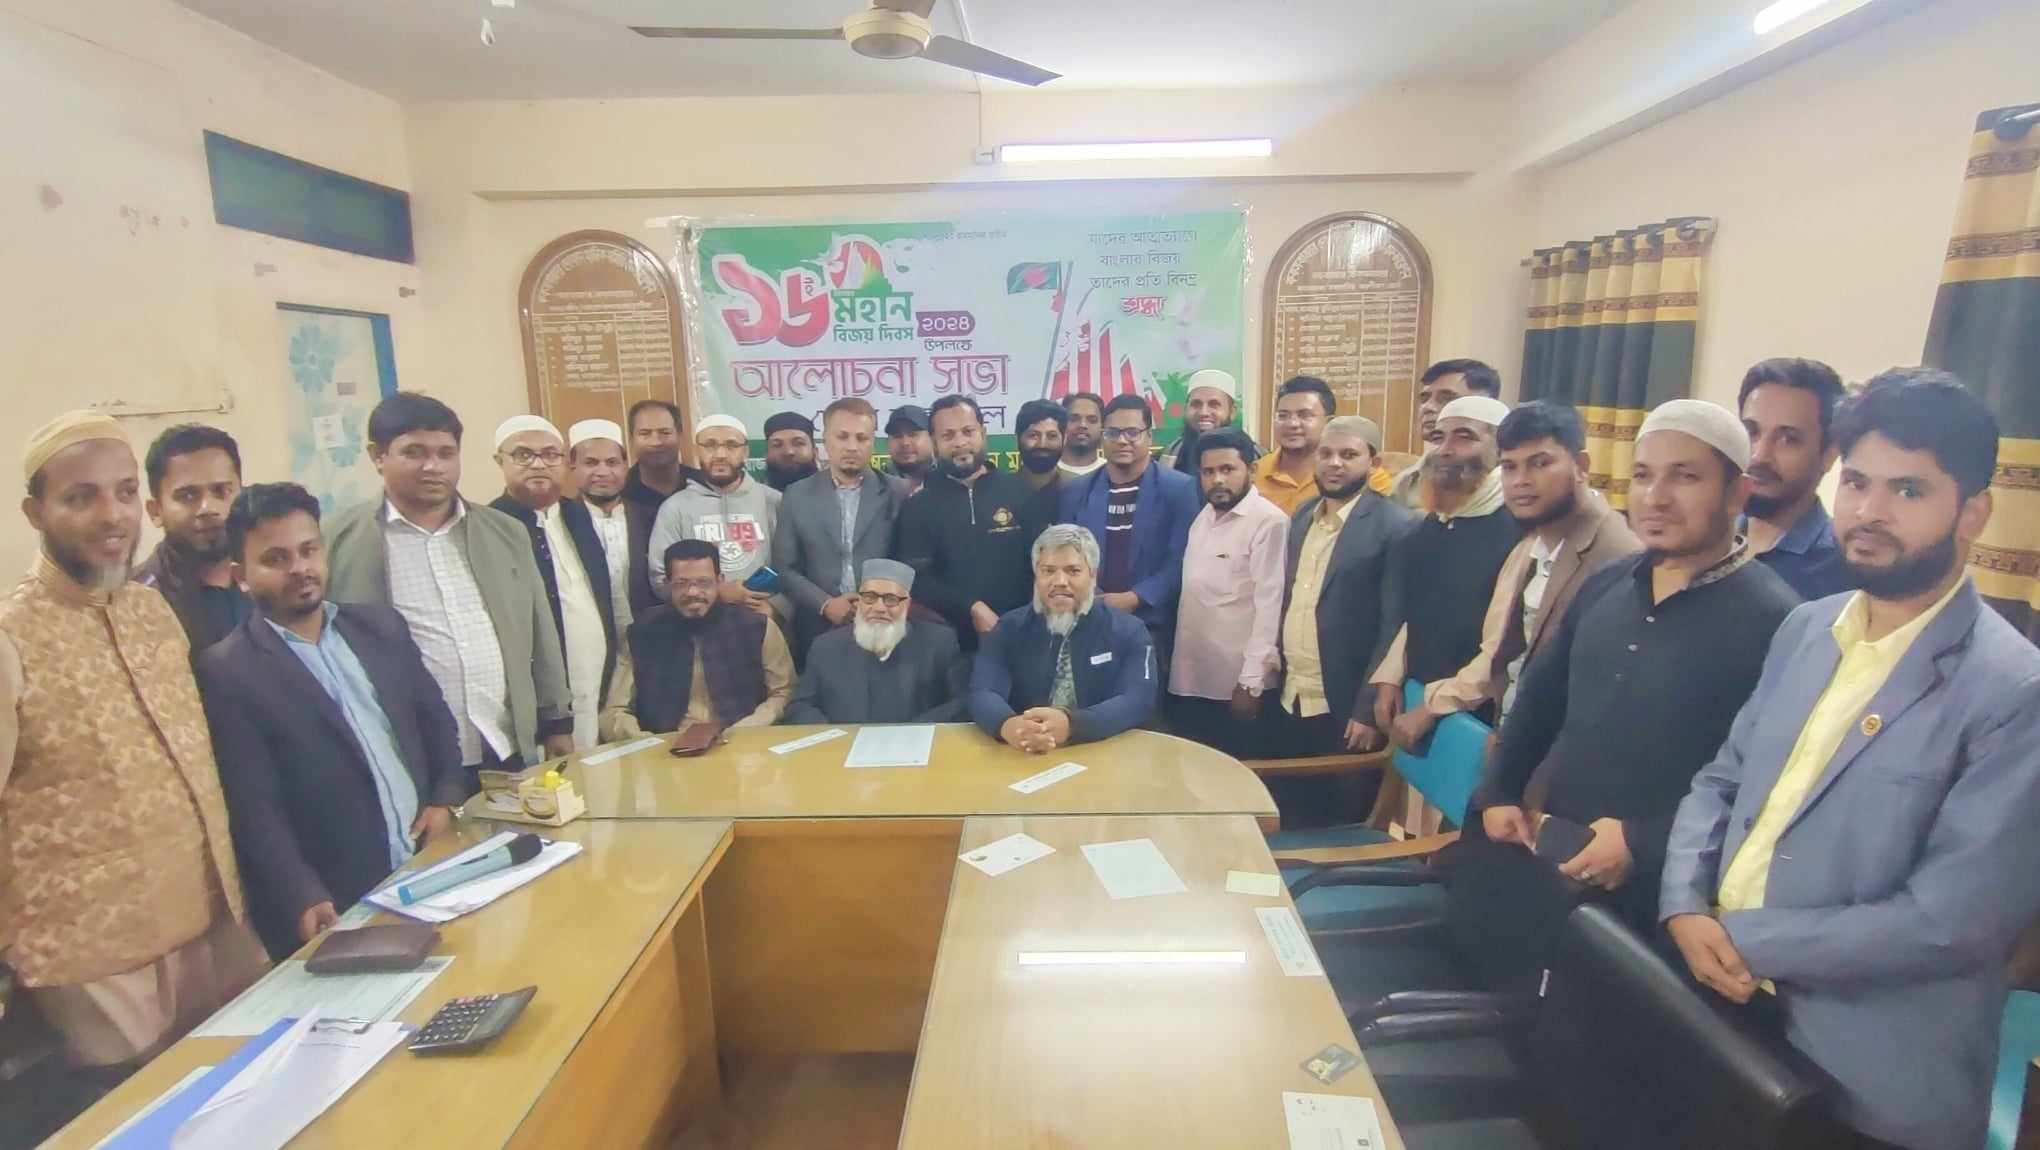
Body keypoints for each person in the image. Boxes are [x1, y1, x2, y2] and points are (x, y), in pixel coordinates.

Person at [1662, 371, 2040, 1150]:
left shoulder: (2013, 689)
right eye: (1858, 482)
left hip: (1868, 1079)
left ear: (1972, 513)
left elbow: (1951, 923)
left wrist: (1743, 938)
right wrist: (1682, 903)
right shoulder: (1807, 628)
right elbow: (1722, 780)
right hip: (1730, 1018)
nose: (1869, 512)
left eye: (1909, 490)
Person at [2, 411, 265, 1073]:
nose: (112, 515)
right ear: (36, 513)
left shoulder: (152, 611)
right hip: (98, 963)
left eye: (124, 493)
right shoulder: (11, 637)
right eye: (80, 497)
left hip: (212, 925)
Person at [1472, 399, 1796, 934]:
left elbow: (1770, 784)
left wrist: (1642, 841)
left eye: (1685, 477)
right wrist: (1501, 790)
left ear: (1738, 492)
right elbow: (1542, 695)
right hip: (1558, 854)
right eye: (1643, 476)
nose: (1656, 497)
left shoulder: (1778, 619)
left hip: (1669, 894)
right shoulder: (1610, 581)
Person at [196, 483, 466, 959]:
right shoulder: (229, 670)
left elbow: (435, 719)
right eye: (276, 559)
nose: (299, 568)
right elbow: (254, 806)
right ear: (241, 576)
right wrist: (302, 893)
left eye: (308, 550)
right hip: (341, 897)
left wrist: (444, 797)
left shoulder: (380, 627)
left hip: (427, 865)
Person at [325, 393, 574, 783]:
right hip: (409, 758)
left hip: (502, 745)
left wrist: (556, 720)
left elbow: (541, 630)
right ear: (378, 456)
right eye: (414, 453)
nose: (433, 466)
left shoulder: (504, 533)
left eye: (446, 453)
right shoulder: (340, 541)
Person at [1396, 402, 1640, 731]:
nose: (1521, 481)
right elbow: (1506, 654)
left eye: (1540, 463)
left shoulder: (1616, 557)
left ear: (1581, 466)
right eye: (1510, 467)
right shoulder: (1533, 542)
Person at [1268, 417, 1413, 787]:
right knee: (1290, 805)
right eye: (1326, 453)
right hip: (1292, 696)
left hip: (1345, 704)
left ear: (1373, 463)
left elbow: (1394, 624)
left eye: (1348, 455)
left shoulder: (1395, 525)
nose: (1334, 463)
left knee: (1343, 809)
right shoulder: (1304, 515)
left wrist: (1366, 709)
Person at [1372, 395, 1523, 742]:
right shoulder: (1433, 525)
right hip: (1420, 700)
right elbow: (1417, 613)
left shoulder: (1516, 529)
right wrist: (1390, 677)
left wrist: (1434, 707)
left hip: (1478, 713)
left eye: (1464, 437)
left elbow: (1502, 646)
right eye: (1439, 437)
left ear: (1501, 448)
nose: (1445, 449)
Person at [489, 415, 616, 751]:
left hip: (596, 684)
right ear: (500, 460)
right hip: (539, 701)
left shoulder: (577, 514)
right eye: (523, 455)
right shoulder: (491, 526)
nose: (538, 464)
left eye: (550, 454)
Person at [970, 524, 1156, 752]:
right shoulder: (1009, 628)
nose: (1059, 581)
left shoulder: (1130, 631)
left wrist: (1071, 725)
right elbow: (983, 691)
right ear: (1036, 576)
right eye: (1048, 571)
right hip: (1024, 751)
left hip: (1102, 749)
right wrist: (1009, 726)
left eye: (1073, 571)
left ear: (1093, 576)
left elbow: (1137, 700)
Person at [1167, 429, 1286, 757]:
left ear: (1251, 470)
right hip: (1191, 678)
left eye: (1227, 469)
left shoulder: (1269, 522)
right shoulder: (1203, 518)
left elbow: (1269, 605)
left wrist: (1251, 683)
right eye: (1208, 472)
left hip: (1237, 686)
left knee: (1241, 774)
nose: (1217, 479)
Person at [896, 395, 1045, 650]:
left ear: (983, 433)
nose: (960, 442)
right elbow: (916, 579)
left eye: (968, 431)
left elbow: (1042, 564)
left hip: (1021, 638)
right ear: (934, 442)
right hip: (947, 645)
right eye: (948, 435)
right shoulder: (917, 506)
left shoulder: (1020, 492)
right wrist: (971, 608)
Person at [601, 540, 793, 737]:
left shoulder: (757, 627)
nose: (692, 592)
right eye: (681, 583)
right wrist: (641, 739)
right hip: (665, 746)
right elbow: (614, 711)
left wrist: (743, 731)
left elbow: (783, 693)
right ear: (667, 584)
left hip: (743, 744)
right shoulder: (643, 632)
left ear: (720, 581)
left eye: (703, 582)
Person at [1059, 394, 1198, 663]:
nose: (1122, 440)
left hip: (1154, 626)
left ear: (1149, 436)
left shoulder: (1180, 489)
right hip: (1089, 622)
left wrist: (1135, 598)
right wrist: (1090, 596)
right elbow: (1066, 556)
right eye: (1113, 433)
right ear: (1102, 436)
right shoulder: (1075, 492)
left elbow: (1181, 560)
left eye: (1133, 432)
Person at [772, 398, 904, 655]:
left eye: (861, 438)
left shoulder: (897, 492)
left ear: (873, 442)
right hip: (818, 626)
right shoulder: (797, 495)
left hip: (884, 624)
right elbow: (785, 568)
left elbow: (906, 560)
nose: (852, 447)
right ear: (824, 440)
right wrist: (825, 604)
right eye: (842, 437)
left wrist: (874, 603)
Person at [783, 559, 968, 725]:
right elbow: (799, 707)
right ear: (859, 601)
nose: (879, 608)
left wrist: (915, 731)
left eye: (891, 599)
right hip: (842, 748)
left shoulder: (938, 642)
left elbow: (961, 702)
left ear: (907, 604)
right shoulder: (826, 647)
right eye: (870, 597)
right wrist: (836, 736)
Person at [1738, 357, 1852, 600]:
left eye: (1788, 439)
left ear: (1829, 455)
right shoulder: (1702, 540)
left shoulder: (1844, 573)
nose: (1759, 455)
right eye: (1751, 431)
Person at [646, 414, 781, 613]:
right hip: (700, 621)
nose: (720, 454)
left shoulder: (773, 501)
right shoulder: (675, 507)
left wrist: (776, 608)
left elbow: (794, 568)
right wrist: (718, 593)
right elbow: (660, 576)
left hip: (764, 618)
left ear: (745, 452)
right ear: (696, 451)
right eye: (710, 445)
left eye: (731, 445)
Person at [134, 424, 251, 652]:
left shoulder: (267, 581)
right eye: (187, 495)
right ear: (156, 511)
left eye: (221, 491)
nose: (208, 508)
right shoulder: (138, 604)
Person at [568, 418, 656, 628]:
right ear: (573, 467)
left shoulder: (650, 518)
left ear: (625, 466)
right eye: (591, 463)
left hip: (646, 637)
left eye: (612, 462)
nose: (602, 472)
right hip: (587, 637)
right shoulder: (562, 520)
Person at [1390, 359, 1504, 508]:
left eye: (1446, 398)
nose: (1427, 407)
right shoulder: (1405, 481)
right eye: (1424, 399)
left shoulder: (1512, 485)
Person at [1254, 375, 1335, 516]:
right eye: (1283, 415)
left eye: (1304, 415)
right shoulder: (1254, 474)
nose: (1292, 424)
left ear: (1329, 423)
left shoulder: (1343, 474)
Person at [620, 399, 701, 513]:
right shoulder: (620, 492)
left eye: (665, 433)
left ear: (679, 436)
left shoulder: (704, 487)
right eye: (645, 433)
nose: (656, 442)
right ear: (631, 439)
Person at [1159, 368, 1238, 472]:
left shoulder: (1254, 458)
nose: (1203, 413)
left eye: (1214, 405)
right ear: (1186, 409)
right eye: (1196, 404)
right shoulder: (1165, 459)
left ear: (1232, 412)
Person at [1014, 398, 1067, 494]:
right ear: (1017, 440)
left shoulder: (1081, 490)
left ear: (1064, 440)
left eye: (1052, 436)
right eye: (1033, 435)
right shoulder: (999, 490)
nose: (1042, 444)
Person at [882, 405, 934, 495]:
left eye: (913, 435)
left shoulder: (951, 481)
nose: (905, 443)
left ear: (931, 438)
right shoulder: (876, 487)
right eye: (897, 436)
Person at [763, 411, 819, 492]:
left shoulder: (835, 495)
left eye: (798, 443)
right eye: (777, 445)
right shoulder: (757, 496)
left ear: (815, 452)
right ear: (766, 454)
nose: (789, 452)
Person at [1058, 392, 1107, 480]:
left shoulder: (1114, 474)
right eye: (1074, 419)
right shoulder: (1045, 471)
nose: (1082, 425)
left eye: (1092, 420)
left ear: (1102, 427)